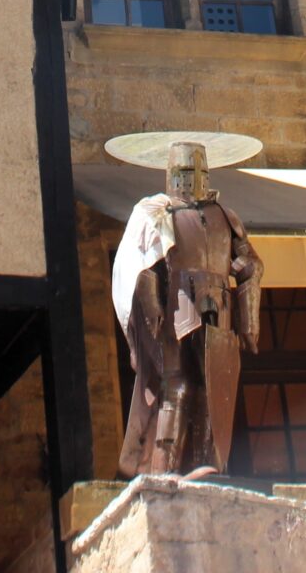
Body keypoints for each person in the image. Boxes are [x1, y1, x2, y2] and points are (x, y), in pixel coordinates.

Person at [112, 140, 264, 476]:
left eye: (197, 171)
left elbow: (249, 265)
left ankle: (208, 470)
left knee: (212, 393)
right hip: (177, 311)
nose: (191, 178)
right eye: (184, 171)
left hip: (220, 315)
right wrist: (151, 315)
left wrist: (249, 321)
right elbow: (144, 265)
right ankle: (162, 474)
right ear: (171, 173)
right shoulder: (157, 211)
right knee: (176, 389)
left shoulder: (225, 215)